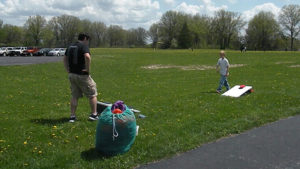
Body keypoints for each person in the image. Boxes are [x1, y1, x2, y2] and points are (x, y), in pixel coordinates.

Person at [64, 33, 98, 122]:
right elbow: (87, 57)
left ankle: (72, 116)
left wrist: (67, 69)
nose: (88, 43)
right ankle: (94, 114)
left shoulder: (70, 46)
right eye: (88, 40)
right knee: (92, 94)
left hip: (72, 74)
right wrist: (87, 70)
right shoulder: (83, 46)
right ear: (85, 39)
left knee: (74, 95)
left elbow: (64, 58)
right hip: (82, 75)